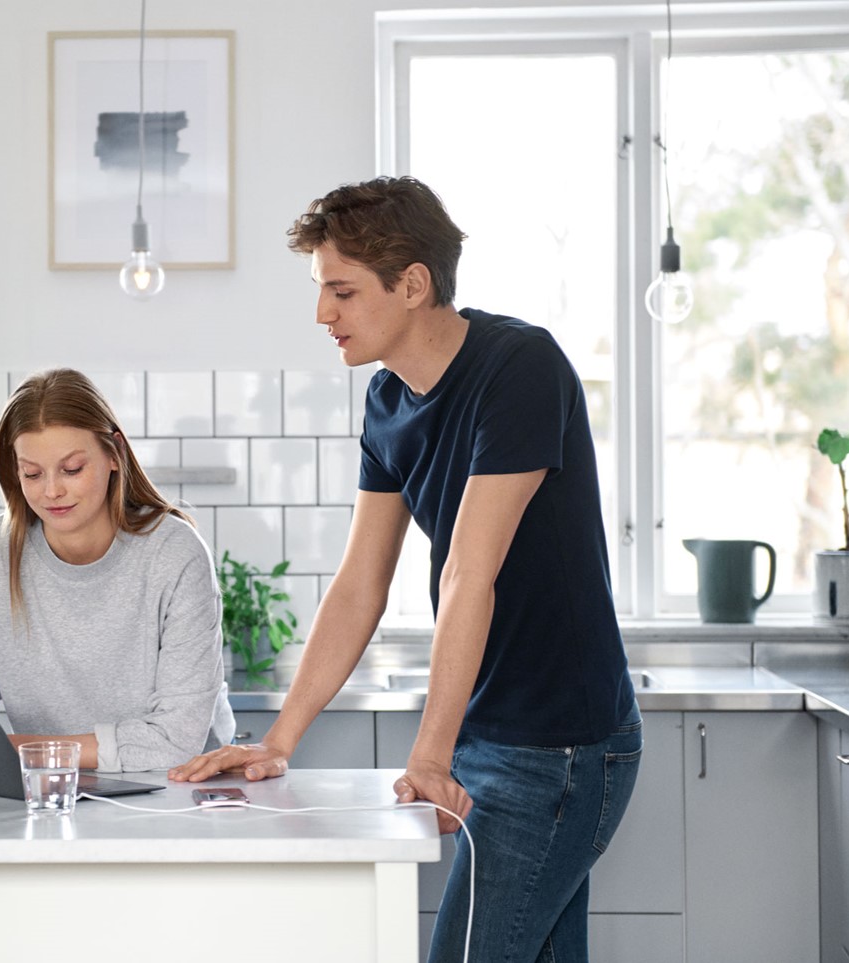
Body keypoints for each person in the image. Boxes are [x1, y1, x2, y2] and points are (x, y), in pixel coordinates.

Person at [169, 176, 641, 962]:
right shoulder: (388, 401)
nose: (324, 314)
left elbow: (468, 573)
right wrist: (280, 737)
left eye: (343, 291)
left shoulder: (520, 368)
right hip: (491, 734)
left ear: (413, 284)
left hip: (561, 743)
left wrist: (429, 750)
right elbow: (360, 585)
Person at [0, 368, 235, 773]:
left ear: (115, 455)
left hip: (180, 789)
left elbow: (174, 742)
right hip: (48, 787)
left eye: (72, 469)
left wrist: (7, 748)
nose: (52, 491)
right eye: (32, 473)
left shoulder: (174, 552)